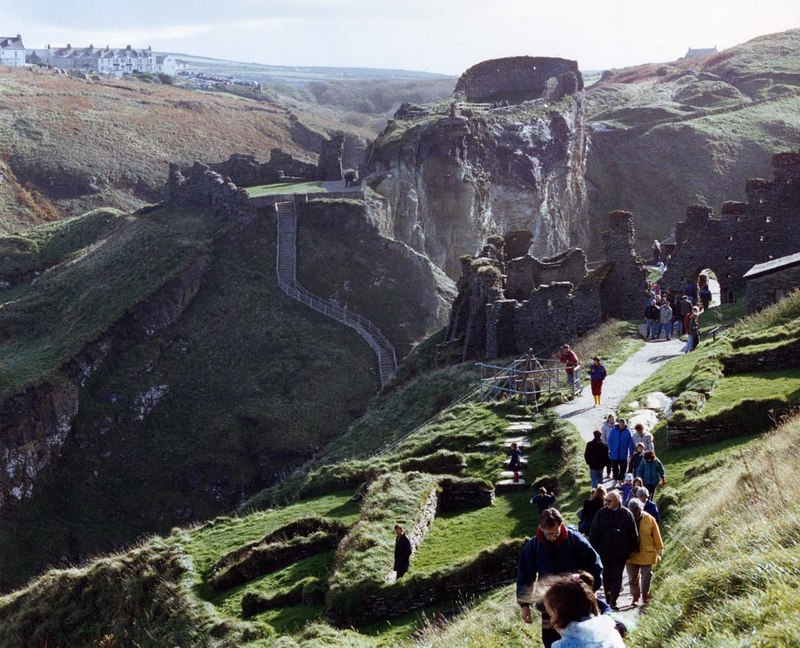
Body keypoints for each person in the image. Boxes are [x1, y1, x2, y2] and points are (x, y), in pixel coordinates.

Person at [517, 508, 604, 648]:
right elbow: (525, 575)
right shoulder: (533, 546)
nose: (553, 537)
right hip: (549, 606)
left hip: (575, 603)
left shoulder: (574, 540)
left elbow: (594, 564)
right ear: (541, 528)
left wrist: (589, 590)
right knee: (551, 643)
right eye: (548, 534)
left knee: (579, 640)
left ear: (561, 524)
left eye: (556, 533)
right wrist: (524, 605)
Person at [540, 573, 625, 648]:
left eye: (551, 615)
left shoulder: (562, 645)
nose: (550, 621)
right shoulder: (612, 632)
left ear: (562, 615)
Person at [589, 491, 639, 610]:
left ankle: (613, 601)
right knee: (606, 576)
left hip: (620, 552)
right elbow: (594, 532)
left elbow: (633, 532)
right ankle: (607, 599)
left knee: (617, 576)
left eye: (609, 501)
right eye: (605, 500)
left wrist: (633, 548)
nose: (606, 503)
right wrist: (593, 549)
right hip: (604, 552)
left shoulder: (626, 514)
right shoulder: (601, 513)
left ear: (617, 500)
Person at [626, 498, 664, 606]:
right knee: (632, 577)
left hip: (647, 552)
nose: (637, 514)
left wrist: (659, 549)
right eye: (634, 512)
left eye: (638, 511)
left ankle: (645, 595)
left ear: (641, 509)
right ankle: (635, 597)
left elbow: (656, 534)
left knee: (646, 575)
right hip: (631, 554)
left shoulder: (649, 518)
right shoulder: (626, 518)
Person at [607, 418, 634, 484]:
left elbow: (630, 443)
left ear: (625, 425)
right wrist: (611, 449)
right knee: (614, 468)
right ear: (618, 424)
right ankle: (615, 479)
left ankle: (621, 480)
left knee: (623, 469)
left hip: (623, 454)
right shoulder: (613, 430)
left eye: (623, 425)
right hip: (614, 453)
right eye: (620, 424)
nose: (621, 426)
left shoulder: (627, 432)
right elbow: (609, 441)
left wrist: (631, 453)